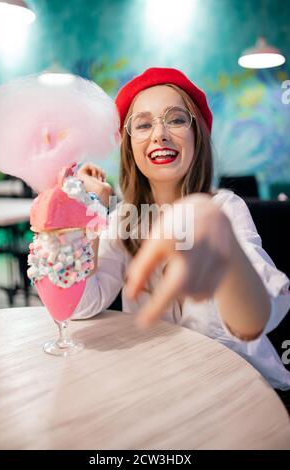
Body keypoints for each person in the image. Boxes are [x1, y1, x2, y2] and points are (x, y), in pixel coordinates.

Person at [73, 67, 290, 409]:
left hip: (236, 394)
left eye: (175, 120)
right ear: (130, 146)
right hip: (162, 390)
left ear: (197, 136)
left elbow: (256, 320)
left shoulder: (224, 209)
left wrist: (227, 251)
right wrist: (89, 212)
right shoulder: (126, 219)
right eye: (143, 124)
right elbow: (82, 305)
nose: (159, 134)